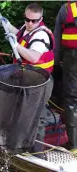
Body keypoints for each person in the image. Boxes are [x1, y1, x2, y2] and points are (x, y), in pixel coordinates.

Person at [0, 3, 55, 158]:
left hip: (40, 82)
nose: (30, 23)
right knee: (21, 113)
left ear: (40, 19)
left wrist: (15, 45)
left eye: (34, 21)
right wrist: (8, 25)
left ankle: (38, 156)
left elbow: (33, 56)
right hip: (27, 79)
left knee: (37, 119)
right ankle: (22, 148)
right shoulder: (27, 28)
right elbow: (21, 34)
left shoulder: (42, 36)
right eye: (27, 19)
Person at [54, 1, 77, 152]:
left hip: (72, 57)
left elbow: (56, 38)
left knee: (71, 98)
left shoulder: (66, 8)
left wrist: (55, 64)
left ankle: (75, 145)